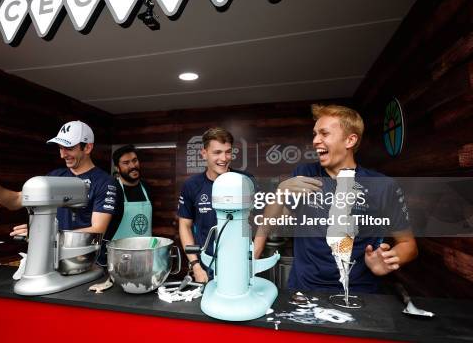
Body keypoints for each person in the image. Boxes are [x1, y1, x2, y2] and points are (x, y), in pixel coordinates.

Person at [254, 104, 417, 293]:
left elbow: (409, 245)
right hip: (303, 288)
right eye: (315, 134)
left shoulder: (382, 185)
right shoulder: (304, 173)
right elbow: (272, 222)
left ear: (350, 140)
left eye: (324, 133)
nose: (315, 140)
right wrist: (280, 193)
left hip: (358, 292)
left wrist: (389, 259)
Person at [0, 120, 123, 262]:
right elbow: (15, 201)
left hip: (85, 262)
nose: (62, 154)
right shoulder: (55, 176)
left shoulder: (105, 182)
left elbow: (97, 230)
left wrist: (42, 235)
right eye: (60, 148)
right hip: (52, 259)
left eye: (69, 148)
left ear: (88, 148)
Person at [177, 127, 255, 283]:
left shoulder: (246, 181)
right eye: (217, 152)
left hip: (239, 264)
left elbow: (259, 222)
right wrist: (196, 266)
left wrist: (252, 261)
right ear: (204, 153)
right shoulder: (192, 185)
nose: (224, 158)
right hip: (206, 266)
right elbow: (184, 225)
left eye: (227, 152)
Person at [111, 144, 153, 239]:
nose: (133, 166)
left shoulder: (146, 187)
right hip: (120, 251)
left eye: (135, 160)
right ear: (117, 168)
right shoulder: (112, 189)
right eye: (126, 163)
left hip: (145, 249)